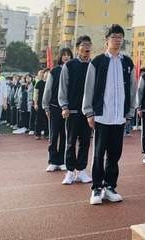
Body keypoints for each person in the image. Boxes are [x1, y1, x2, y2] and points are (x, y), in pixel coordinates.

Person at [83, 24, 136, 205]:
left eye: (120, 37)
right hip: (101, 115)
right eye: (114, 37)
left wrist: (130, 111)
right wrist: (89, 111)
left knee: (114, 154)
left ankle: (110, 187)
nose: (117, 40)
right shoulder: (97, 62)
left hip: (119, 117)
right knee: (99, 154)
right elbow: (89, 88)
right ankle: (97, 188)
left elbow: (132, 89)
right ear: (107, 40)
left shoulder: (127, 62)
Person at [59, 36, 93, 186]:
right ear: (78, 48)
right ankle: (70, 171)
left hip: (88, 112)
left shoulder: (94, 65)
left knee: (85, 142)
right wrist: (64, 106)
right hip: (72, 110)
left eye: (89, 45)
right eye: (84, 45)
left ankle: (81, 170)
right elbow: (63, 87)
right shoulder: (70, 65)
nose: (87, 48)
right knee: (71, 142)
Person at [43, 48, 73, 172]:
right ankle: (52, 160)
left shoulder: (73, 70)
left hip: (68, 109)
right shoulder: (54, 71)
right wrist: (46, 106)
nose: (66, 57)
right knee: (53, 135)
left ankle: (62, 161)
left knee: (65, 135)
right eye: (64, 55)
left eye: (68, 55)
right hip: (54, 107)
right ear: (60, 57)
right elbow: (48, 89)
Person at [33, 69, 48, 139]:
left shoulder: (49, 82)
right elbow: (35, 94)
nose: (46, 74)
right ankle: (37, 134)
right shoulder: (38, 83)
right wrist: (35, 103)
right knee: (39, 119)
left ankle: (47, 133)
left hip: (47, 104)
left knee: (47, 119)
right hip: (40, 103)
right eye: (45, 73)